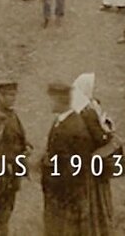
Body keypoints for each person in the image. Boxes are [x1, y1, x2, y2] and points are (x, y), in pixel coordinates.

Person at [42, 81, 93, 236]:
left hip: (65, 192)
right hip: (58, 190)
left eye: (51, 99)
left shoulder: (73, 128)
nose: (48, 103)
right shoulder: (61, 121)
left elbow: (75, 166)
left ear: (59, 100)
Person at [71, 74, 116, 235]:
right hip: (90, 159)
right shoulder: (87, 111)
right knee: (94, 197)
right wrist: (108, 130)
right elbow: (100, 137)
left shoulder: (74, 105)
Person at [0, 80, 31, 230]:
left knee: (6, 214)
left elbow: (16, 135)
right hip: (1, 174)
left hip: (12, 174)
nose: (12, 98)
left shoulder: (11, 114)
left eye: (14, 95)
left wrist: (26, 145)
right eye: (9, 95)